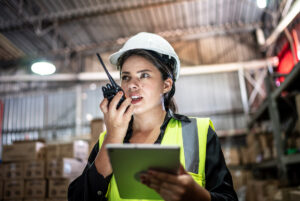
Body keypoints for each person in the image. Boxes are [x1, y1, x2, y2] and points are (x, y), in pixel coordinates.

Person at [68, 32, 238, 201]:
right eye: (126, 77)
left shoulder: (198, 133)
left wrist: (199, 197)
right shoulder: (107, 139)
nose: (132, 85)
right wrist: (113, 138)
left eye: (144, 75)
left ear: (166, 84)